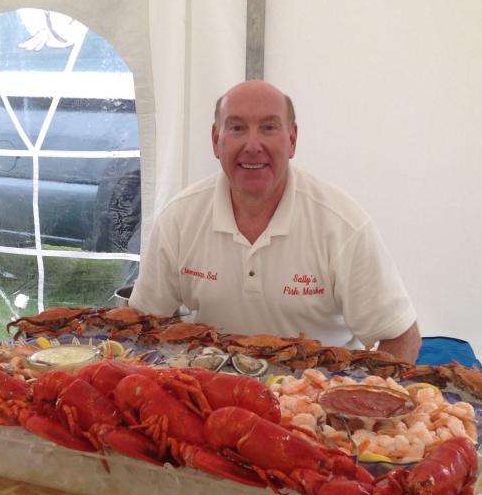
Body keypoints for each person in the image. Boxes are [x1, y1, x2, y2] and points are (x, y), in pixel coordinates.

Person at [129, 80, 421, 362]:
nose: (252, 145)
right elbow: (141, 324)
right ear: (216, 141)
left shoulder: (343, 225)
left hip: (315, 400)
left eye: (268, 128)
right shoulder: (179, 219)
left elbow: (401, 337)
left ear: (292, 140)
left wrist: (366, 402)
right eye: (237, 128)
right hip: (214, 393)